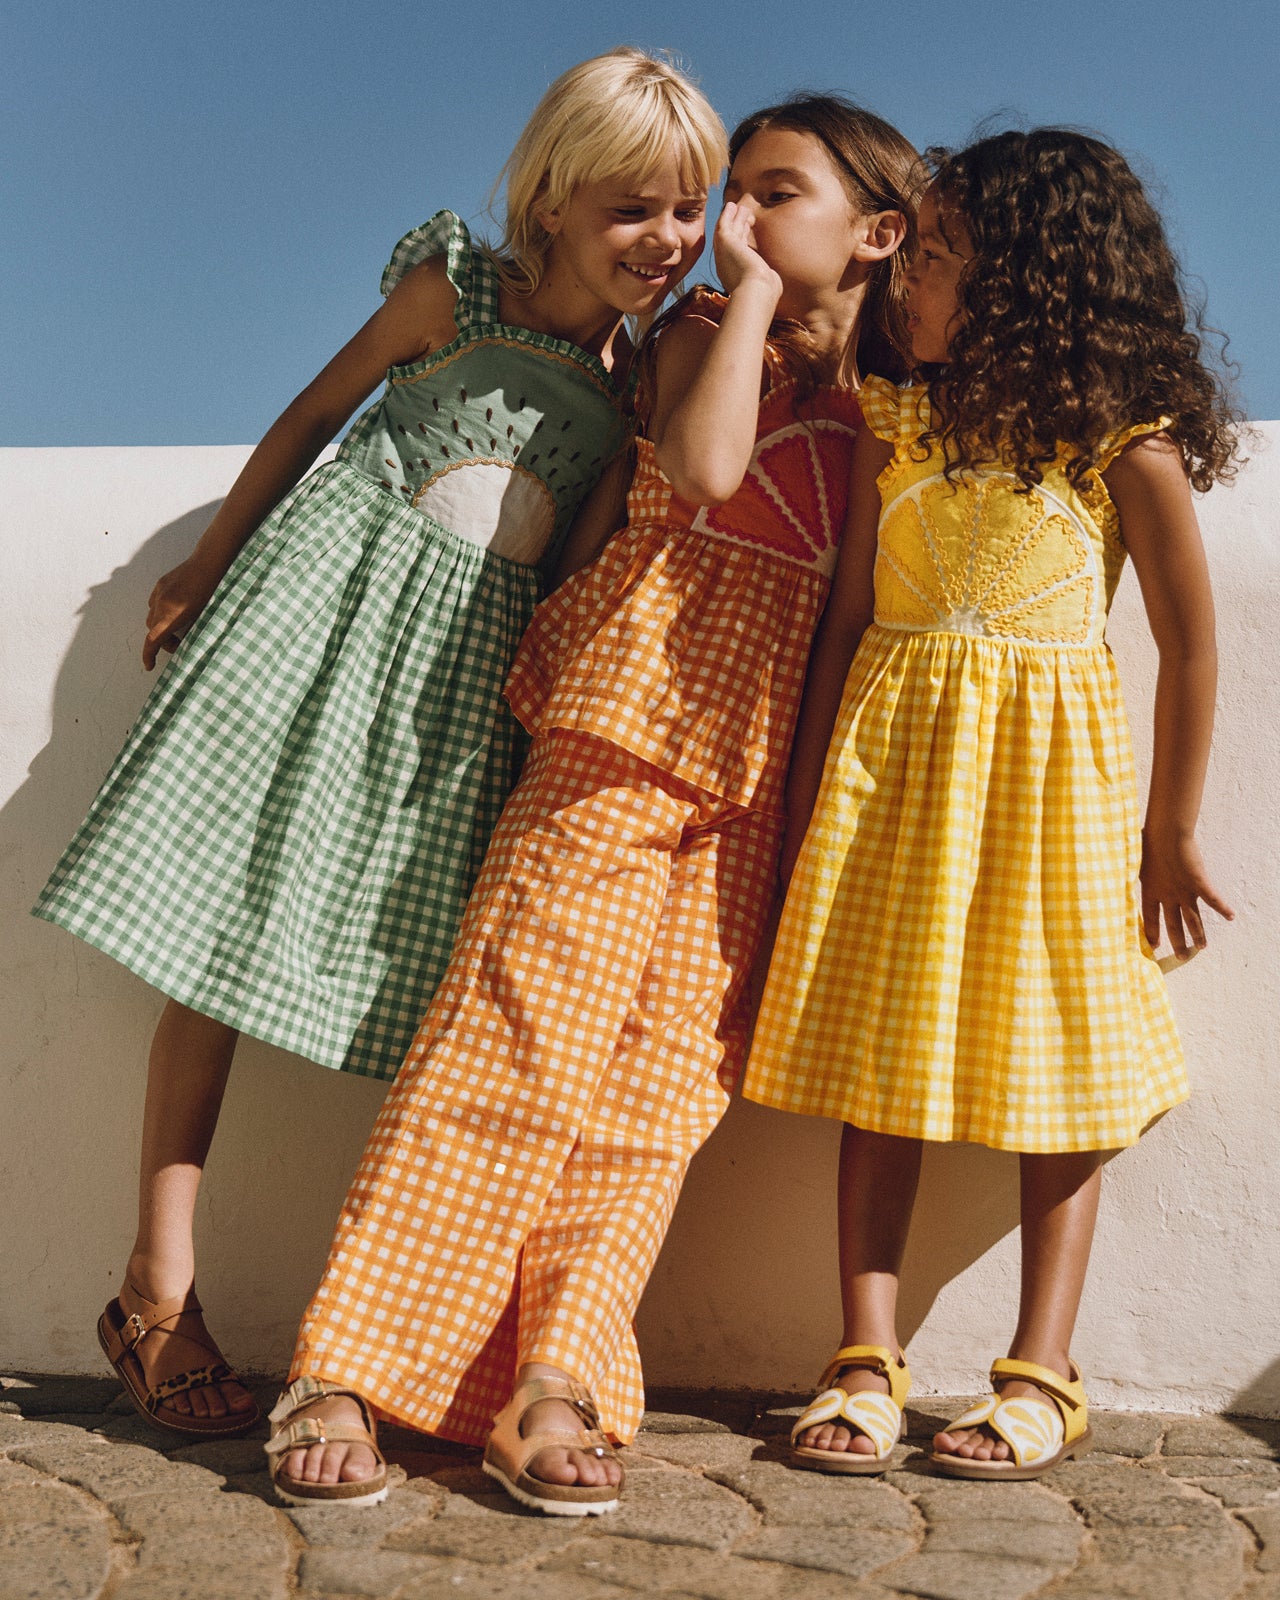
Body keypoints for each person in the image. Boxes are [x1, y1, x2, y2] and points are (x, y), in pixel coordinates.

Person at [33, 47, 726, 1440]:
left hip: (463, 696)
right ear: (551, 202)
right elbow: (308, 415)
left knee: (440, 996)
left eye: (687, 209)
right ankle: (156, 1290)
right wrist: (207, 565)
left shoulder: (639, 376)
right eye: (632, 210)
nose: (667, 240)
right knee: (220, 947)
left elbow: (577, 562)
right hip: (322, 634)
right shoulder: (451, 289)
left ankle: (407, 1330)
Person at [262, 94, 921, 1513]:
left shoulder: (882, 418)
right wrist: (744, 293)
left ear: (875, 235)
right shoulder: (697, 335)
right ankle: (349, 1369)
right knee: (503, 1044)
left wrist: (800, 821)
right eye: (722, 196)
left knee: (653, 1096)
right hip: (619, 724)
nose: (729, 222)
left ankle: (554, 1378)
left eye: (772, 194)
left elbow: (845, 622)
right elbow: (702, 468)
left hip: (745, 779)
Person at [742, 128, 1240, 1481]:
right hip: (894, 784)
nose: (911, 283)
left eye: (943, 259)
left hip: (1048, 800)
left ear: (1029, 289)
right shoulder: (892, 428)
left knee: (1060, 1075)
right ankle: (864, 1352)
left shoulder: (1118, 454)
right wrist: (800, 811)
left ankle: (1045, 1367)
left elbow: (1195, 645)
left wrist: (1170, 829)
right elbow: (847, 620)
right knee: (883, 1064)